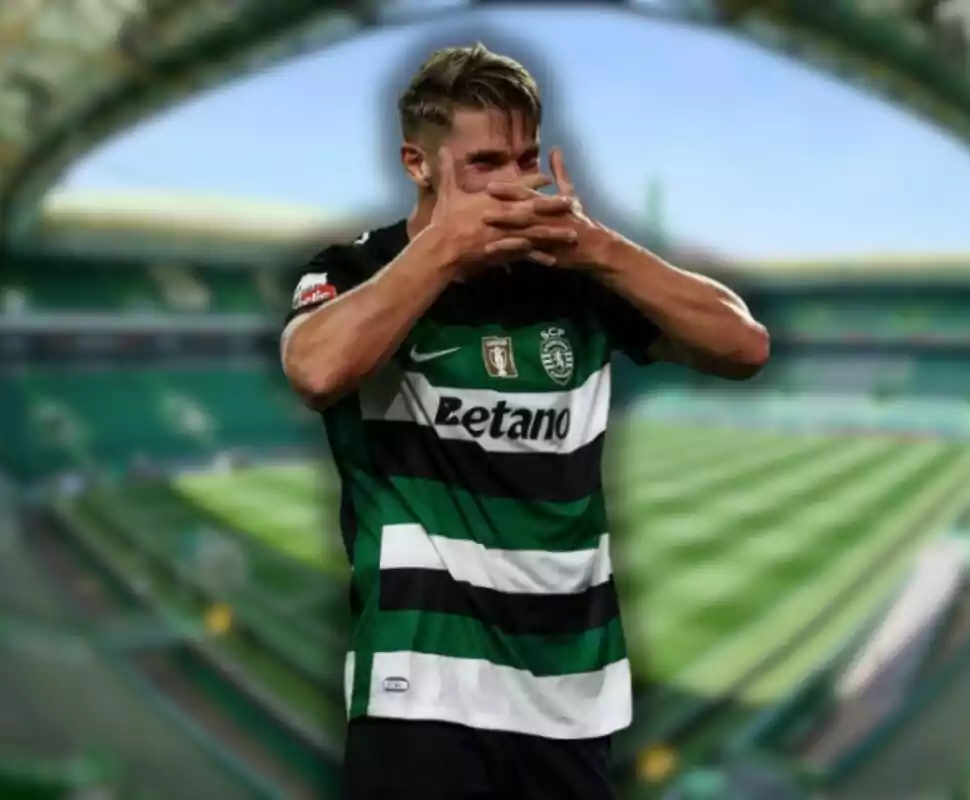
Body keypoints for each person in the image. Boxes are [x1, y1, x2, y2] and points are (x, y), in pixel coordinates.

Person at [281, 43, 769, 800]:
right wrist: (445, 247)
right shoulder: (356, 269)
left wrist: (597, 248)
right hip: (420, 688)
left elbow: (743, 345)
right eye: (484, 164)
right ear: (419, 164)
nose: (512, 184)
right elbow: (317, 370)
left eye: (524, 159)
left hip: (569, 694)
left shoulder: (575, 277)